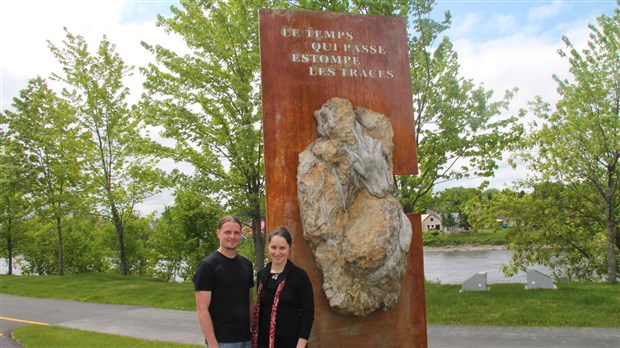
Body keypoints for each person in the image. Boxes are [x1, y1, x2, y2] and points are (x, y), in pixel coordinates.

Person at [194, 215, 255, 348]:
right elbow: (201, 308)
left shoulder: (247, 264)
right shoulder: (207, 266)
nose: (232, 236)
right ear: (218, 233)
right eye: (227, 232)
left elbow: (250, 301)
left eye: (236, 233)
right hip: (221, 341)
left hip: (246, 339)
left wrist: (255, 332)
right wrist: (212, 343)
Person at [252, 227, 314, 348]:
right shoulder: (262, 275)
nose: (277, 252)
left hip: (291, 343)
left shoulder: (299, 276)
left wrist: (300, 346)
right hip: (263, 343)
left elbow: (308, 315)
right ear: (268, 247)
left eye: (282, 248)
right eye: (273, 247)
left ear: (289, 248)